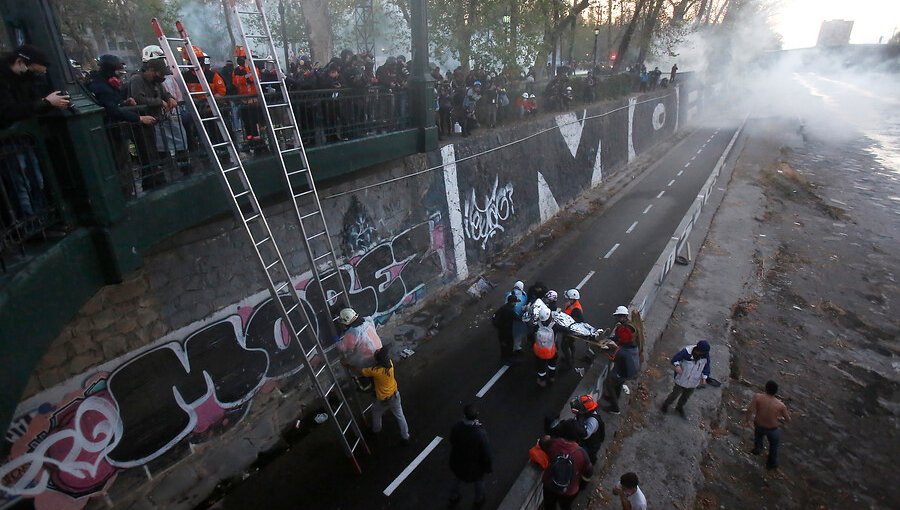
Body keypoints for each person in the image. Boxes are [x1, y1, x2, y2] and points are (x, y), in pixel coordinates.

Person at [127, 54, 177, 191]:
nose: (161, 78)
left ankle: (156, 178)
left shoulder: (155, 82)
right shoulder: (137, 80)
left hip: (152, 121)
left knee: (152, 151)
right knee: (146, 153)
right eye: (159, 74)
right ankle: (150, 182)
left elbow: (164, 92)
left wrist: (170, 98)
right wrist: (159, 102)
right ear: (151, 70)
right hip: (140, 123)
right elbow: (139, 99)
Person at [0, 44, 70, 129]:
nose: (34, 75)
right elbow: (7, 112)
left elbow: (32, 104)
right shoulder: (5, 79)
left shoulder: (24, 77)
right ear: (19, 62)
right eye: (34, 71)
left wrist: (52, 104)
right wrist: (46, 102)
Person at [356, 348, 409, 444]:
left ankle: (376, 430)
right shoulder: (390, 364)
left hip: (383, 400)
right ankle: (405, 436)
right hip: (395, 395)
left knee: (376, 413)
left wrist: (348, 365)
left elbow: (361, 371)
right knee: (400, 416)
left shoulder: (375, 371)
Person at [448, 403, 492, 507]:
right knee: (479, 482)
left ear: (464, 415)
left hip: (458, 462)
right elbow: (486, 453)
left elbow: (452, 440)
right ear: (476, 416)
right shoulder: (480, 434)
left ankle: (453, 496)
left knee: (457, 479)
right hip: (474, 467)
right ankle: (478, 499)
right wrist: (488, 468)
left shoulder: (457, 427)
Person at [539, 427, 593, 510]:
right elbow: (589, 472)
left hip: (550, 485)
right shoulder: (582, 453)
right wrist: (581, 486)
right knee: (566, 506)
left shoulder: (554, 444)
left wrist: (546, 438)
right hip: (570, 490)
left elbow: (542, 443)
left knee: (549, 505)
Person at [746, 380, 791, 470]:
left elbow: (750, 410)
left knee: (758, 438)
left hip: (759, 425)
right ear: (776, 392)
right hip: (772, 428)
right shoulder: (781, 405)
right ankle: (772, 463)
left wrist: (748, 421)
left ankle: (758, 449)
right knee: (774, 446)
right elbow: (788, 419)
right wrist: (782, 420)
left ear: (766, 388)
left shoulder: (758, 397)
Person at [660, 340, 711, 418]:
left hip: (693, 381)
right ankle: (665, 405)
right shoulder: (686, 352)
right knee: (675, 394)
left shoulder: (705, 356)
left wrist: (704, 378)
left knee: (686, 396)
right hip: (682, 378)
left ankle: (679, 407)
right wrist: (677, 366)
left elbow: (706, 368)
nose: (700, 354)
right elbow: (675, 359)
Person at [570, 395, 604, 464]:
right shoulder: (589, 413)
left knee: (588, 456)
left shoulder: (592, 421)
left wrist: (579, 417)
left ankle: (591, 463)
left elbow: (585, 435)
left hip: (591, 444)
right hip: (590, 441)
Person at [491, 294, 519, 364]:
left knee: (504, 345)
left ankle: (505, 357)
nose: (515, 304)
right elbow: (518, 319)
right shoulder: (510, 311)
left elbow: (495, 315)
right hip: (507, 332)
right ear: (512, 302)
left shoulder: (503, 307)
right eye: (515, 302)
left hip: (501, 331)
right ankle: (507, 359)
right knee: (508, 345)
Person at [533, 307, 558, 387]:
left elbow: (532, 331)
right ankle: (552, 377)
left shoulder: (537, 325)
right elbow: (566, 329)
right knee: (552, 365)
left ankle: (542, 381)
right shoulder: (554, 326)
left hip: (539, 351)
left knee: (541, 368)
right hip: (551, 351)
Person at [560, 289, 583, 368]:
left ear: (573, 299)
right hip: (569, 328)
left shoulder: (576, 309)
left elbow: (580, 320)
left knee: (564, 346)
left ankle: (569, 362)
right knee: (570, 344)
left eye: (568, 298)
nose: (566, 300)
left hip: (570, 330)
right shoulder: (571, 304)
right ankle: (571, 358)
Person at [506, 281, 529, 355]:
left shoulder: (509, 295)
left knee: (514, 333)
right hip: (519, 318)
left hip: (515, 319)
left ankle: (515, 346)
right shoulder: (524, 294)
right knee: (518, 334)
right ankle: (516, 347)